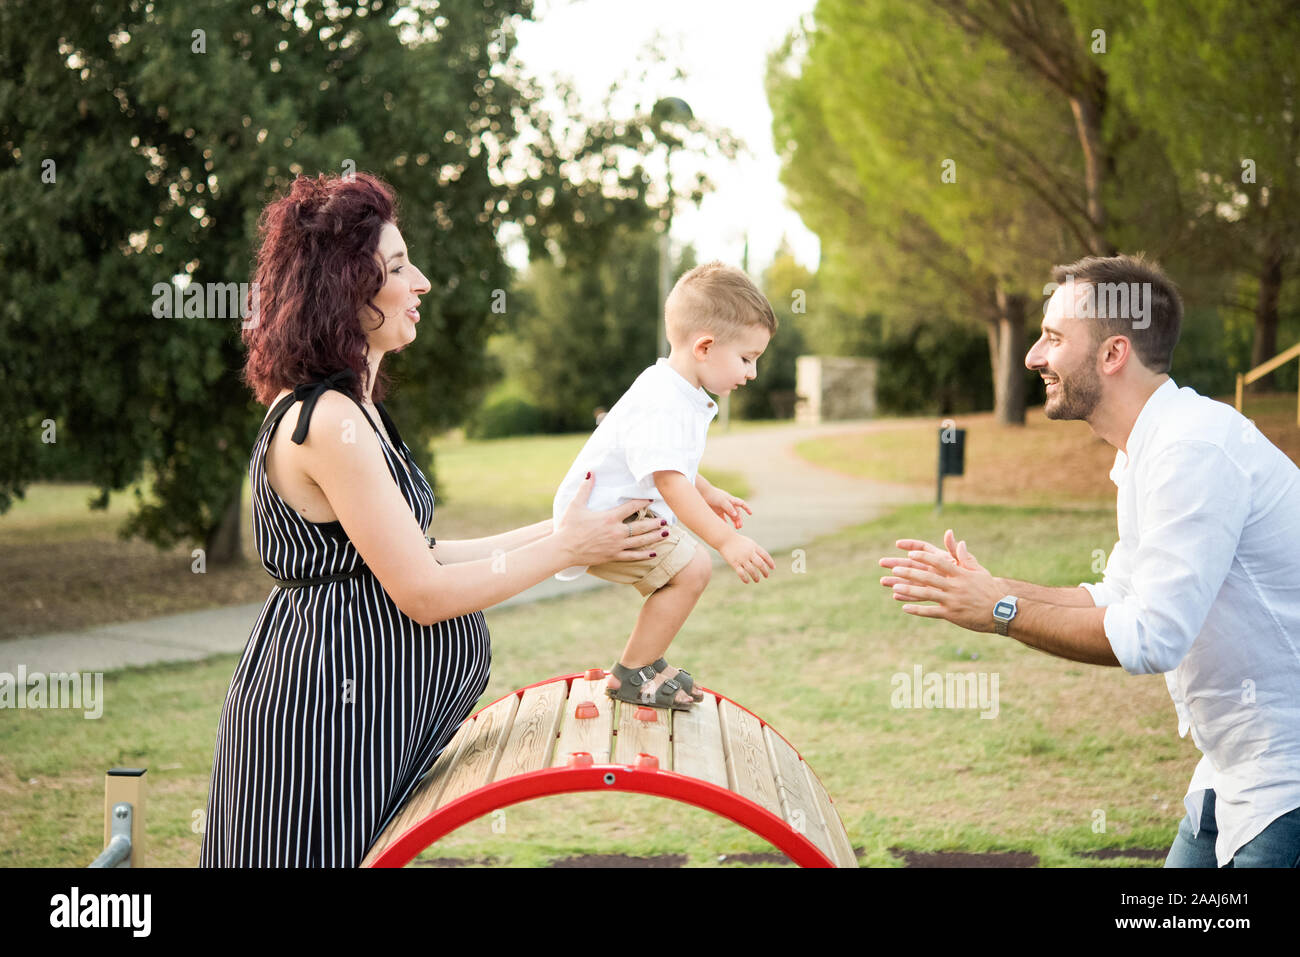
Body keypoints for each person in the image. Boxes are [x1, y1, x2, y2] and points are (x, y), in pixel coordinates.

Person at [200, 172, 667, 867]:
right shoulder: (324, 421)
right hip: (322, 733)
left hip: (361, 730)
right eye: (395, 268)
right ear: (344, 290)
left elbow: (425, 553)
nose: (419, 282)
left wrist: (565, 532)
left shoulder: (356, 413)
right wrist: (569, 543)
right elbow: (421, 594)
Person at [878, 253, 1300, 868]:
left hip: (1283, 781)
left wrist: (1000, 610)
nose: (1032, 357)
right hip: (1230, 772)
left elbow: (1151, 637)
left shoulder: (1192, 451)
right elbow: (1116, 597)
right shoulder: (1151, 449)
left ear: (1112, 355)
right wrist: (992, 588)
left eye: (1052, 338)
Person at [551, 262, 779, 711]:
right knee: (693, 568)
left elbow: (670, 464)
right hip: (603, 517)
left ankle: (645, 663)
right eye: (747, 359)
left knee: (687, 569)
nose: (751, 373)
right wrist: (726, 541)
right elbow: (670, 482)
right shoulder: (662, 400)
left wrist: (708, 492)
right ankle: (633, 670)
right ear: (706, 346)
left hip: (621, 510)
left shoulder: (674, 390)